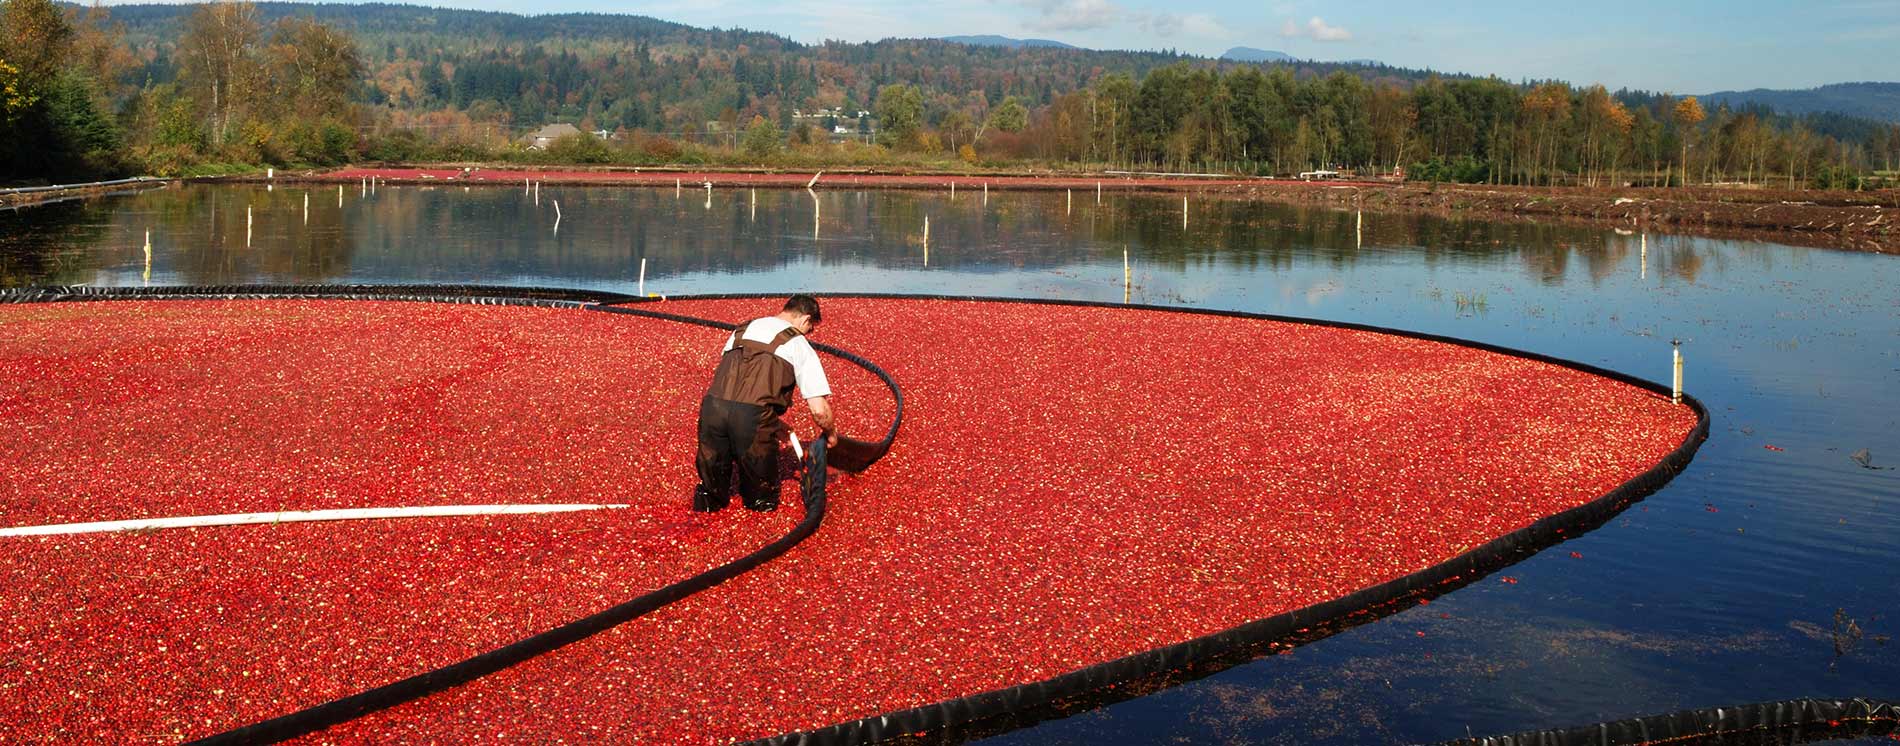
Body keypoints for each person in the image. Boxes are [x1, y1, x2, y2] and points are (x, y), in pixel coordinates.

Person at [693, 295, 837, 512]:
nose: (809, 334)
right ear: (806, 320)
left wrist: (774, 424)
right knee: (760, 499)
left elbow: (739, 386)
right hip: (752, 420)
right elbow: (818, 410)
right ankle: (760, 513)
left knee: (711, 491)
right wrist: (831, 432)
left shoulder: (742, 330)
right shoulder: (797, 343)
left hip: (712, 410)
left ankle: (702, 518)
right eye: (811, 329)